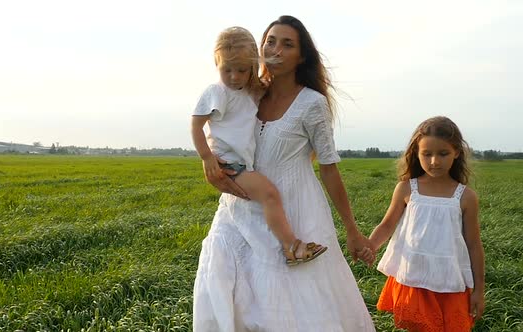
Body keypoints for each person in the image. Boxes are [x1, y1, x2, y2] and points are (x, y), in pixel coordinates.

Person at [193, 16, 376, 331]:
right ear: (259, 49)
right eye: (271, 41)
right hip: (239, 211)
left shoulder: (312, 104)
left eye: (287, 44)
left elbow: (329, 169)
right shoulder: (247, 92)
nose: (276, 49)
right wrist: (209, 164)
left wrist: (352, 229)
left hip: (296, 208)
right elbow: (216, 130)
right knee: (234, 296)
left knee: (296, 304)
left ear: (301, 56)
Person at [191, 26, 327, 266]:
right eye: (227, 70)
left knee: (269, 196)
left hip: (243, 162)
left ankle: (290, 246)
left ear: (252, 66)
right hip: (230, 163)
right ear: (216, 64)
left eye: (242, 70)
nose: (234, 76)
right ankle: (291, 246)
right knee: (270, 195)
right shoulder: (216, 92)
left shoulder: (251, 90)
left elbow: (269, 88)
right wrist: (207, 158)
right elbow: (196, 125)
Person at [365, 116, 485, 331]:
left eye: (443, 153)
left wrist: (479, 289)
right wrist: (370, 246)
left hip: (450, 281)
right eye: (426, 154)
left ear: (457, 152)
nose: (434, 161)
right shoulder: (406, 189)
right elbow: (386, 225)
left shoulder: (466, 196)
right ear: (416, 153)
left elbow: (474, 245)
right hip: (414, 277)